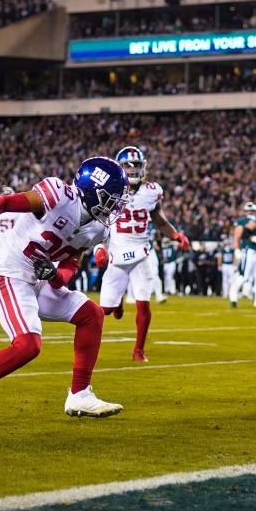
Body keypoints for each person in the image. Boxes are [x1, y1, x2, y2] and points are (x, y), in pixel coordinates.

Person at [0, 157, 130, 428]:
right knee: (28, 346)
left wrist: (54, 275)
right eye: (110, 199)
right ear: (91, 190)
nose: (114, 207)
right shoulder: (58, 195)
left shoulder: (98, 228)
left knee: (91, 314)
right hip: (8, 272)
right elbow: (6, 202)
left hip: (37, 280)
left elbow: (70, 267)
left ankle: (80, 394)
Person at [96, 146, 189, 363]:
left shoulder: (152, 191)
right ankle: (117, 301)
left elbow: (160, 220)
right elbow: (98, 222)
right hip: (118, 254)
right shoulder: (109, 190)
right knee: (106, 310)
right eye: (127, 165)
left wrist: (176, 236)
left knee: (143, 303)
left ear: (143, 166)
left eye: (135, 164)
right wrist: (100, 247)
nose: (131, 168)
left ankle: (139, 350)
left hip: (142, 253)